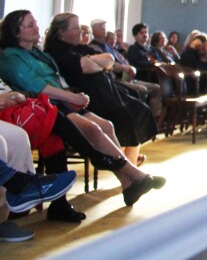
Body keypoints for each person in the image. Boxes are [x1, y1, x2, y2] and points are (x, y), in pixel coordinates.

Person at [0, 10, 165, 207]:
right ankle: (134, 176)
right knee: (94, 128)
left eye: (35, 22)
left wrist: (73, 95)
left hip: (63, 101)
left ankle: (127, 182)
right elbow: (36, 86)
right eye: (30, 25)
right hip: (48, 105)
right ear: (16, 32)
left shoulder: (37, 53)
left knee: (107, 125)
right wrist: (71, 96)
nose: (37, 27)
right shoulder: (10, 57)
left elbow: (63, 77)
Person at [43, 13, 158, 168]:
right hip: (91, 98)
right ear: (61, 32)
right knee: (128, 117)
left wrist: (93, 61)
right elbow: (86, 66)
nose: (81, 32)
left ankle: (129, 162)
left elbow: (109, 59)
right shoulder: (56, 50)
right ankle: (128, 166)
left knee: (140, 109)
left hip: (108, 92)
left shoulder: (80, 47)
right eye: (76, 28)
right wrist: (96, 63)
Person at [90, 18, 163, 126]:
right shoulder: (93, 47)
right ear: (93, 30)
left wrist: (128, 68)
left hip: (126, 76)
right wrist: (126, 68)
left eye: (104, 27)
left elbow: (123, 60)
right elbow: (111, 65)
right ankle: (140, 123)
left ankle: (154, 121)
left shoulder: (109, 47)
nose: (103, 29)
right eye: (100, 27)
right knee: (140, 89)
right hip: (113, 78)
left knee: (156, 88)